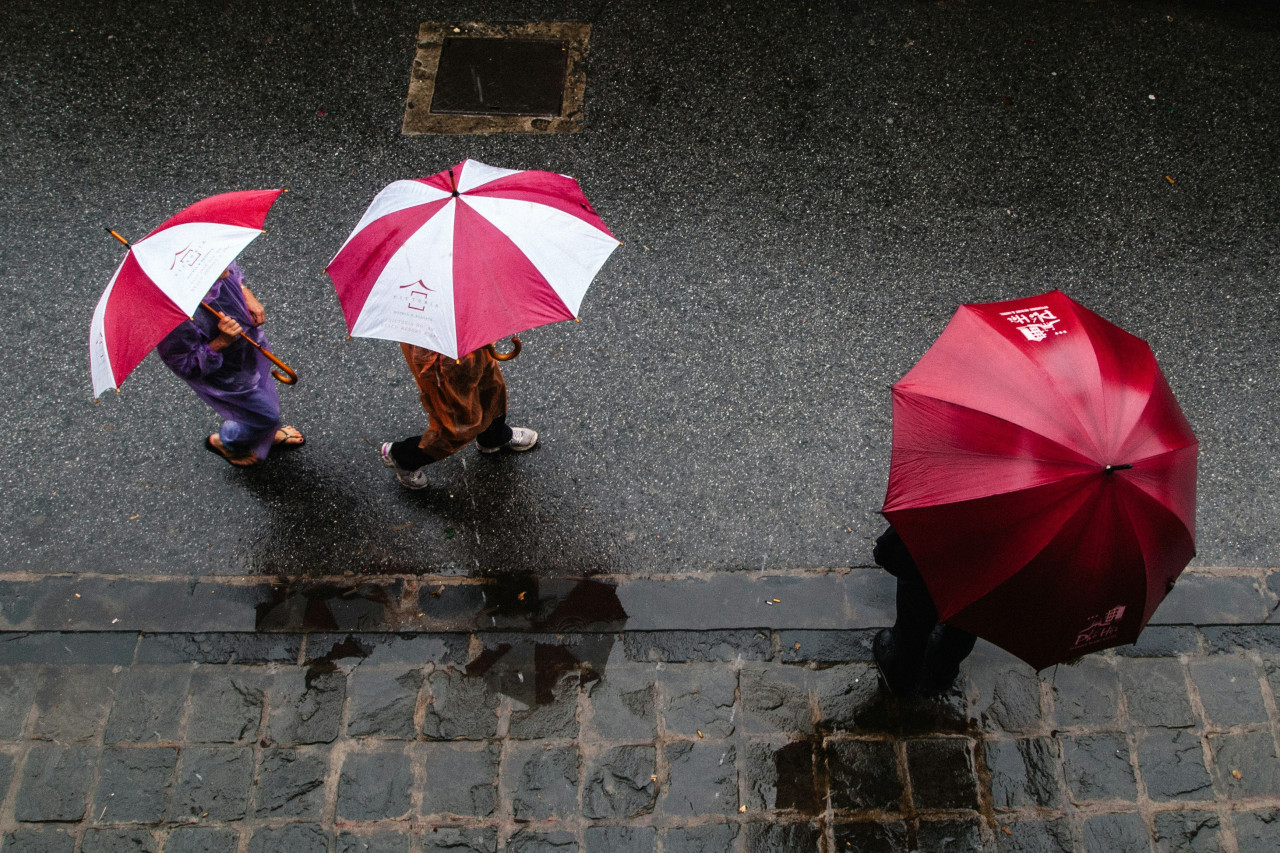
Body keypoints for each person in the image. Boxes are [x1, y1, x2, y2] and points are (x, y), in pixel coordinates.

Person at [155, 262, 304, 466]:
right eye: (215, 269)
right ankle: (228, 441)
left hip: (248, 354)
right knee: (266, 416)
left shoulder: (214, 265)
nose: (227, 272)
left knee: (263, 402)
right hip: (229, 375)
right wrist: (221, 342)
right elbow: (186, 366)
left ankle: (263, 433)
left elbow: (233, 270)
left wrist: (245, 293)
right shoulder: (175, 321)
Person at [380, 344, 537, 489]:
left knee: (491, 390)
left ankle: (493, 437)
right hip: (442, 361)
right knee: (457, 427)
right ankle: (402, 456)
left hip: (473, 343)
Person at [872, 526, 976, 697]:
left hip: (935, 540)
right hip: (990, 546)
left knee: (916, 609)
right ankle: (941, 674)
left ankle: (902, 677)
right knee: (971, 601)